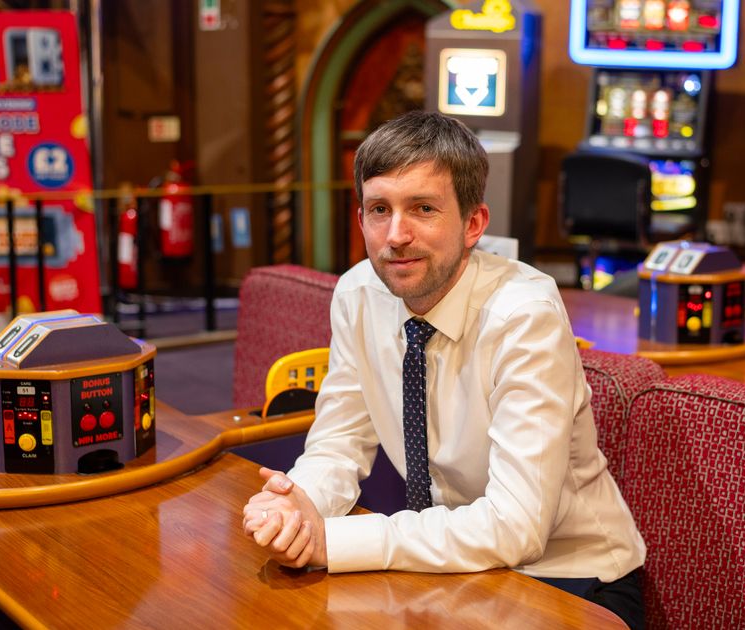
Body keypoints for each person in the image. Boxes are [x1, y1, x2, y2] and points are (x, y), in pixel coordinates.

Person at [242, 111, 646, 627]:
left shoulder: (525, 315)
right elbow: (339, 443)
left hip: (570, 578)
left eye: (423, 209)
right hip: (451, 569)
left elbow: (516, 527)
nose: (396, 235)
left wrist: (333, 541)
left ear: (473, 224)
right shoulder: (358, 294)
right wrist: (299, 505)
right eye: (379, 209)